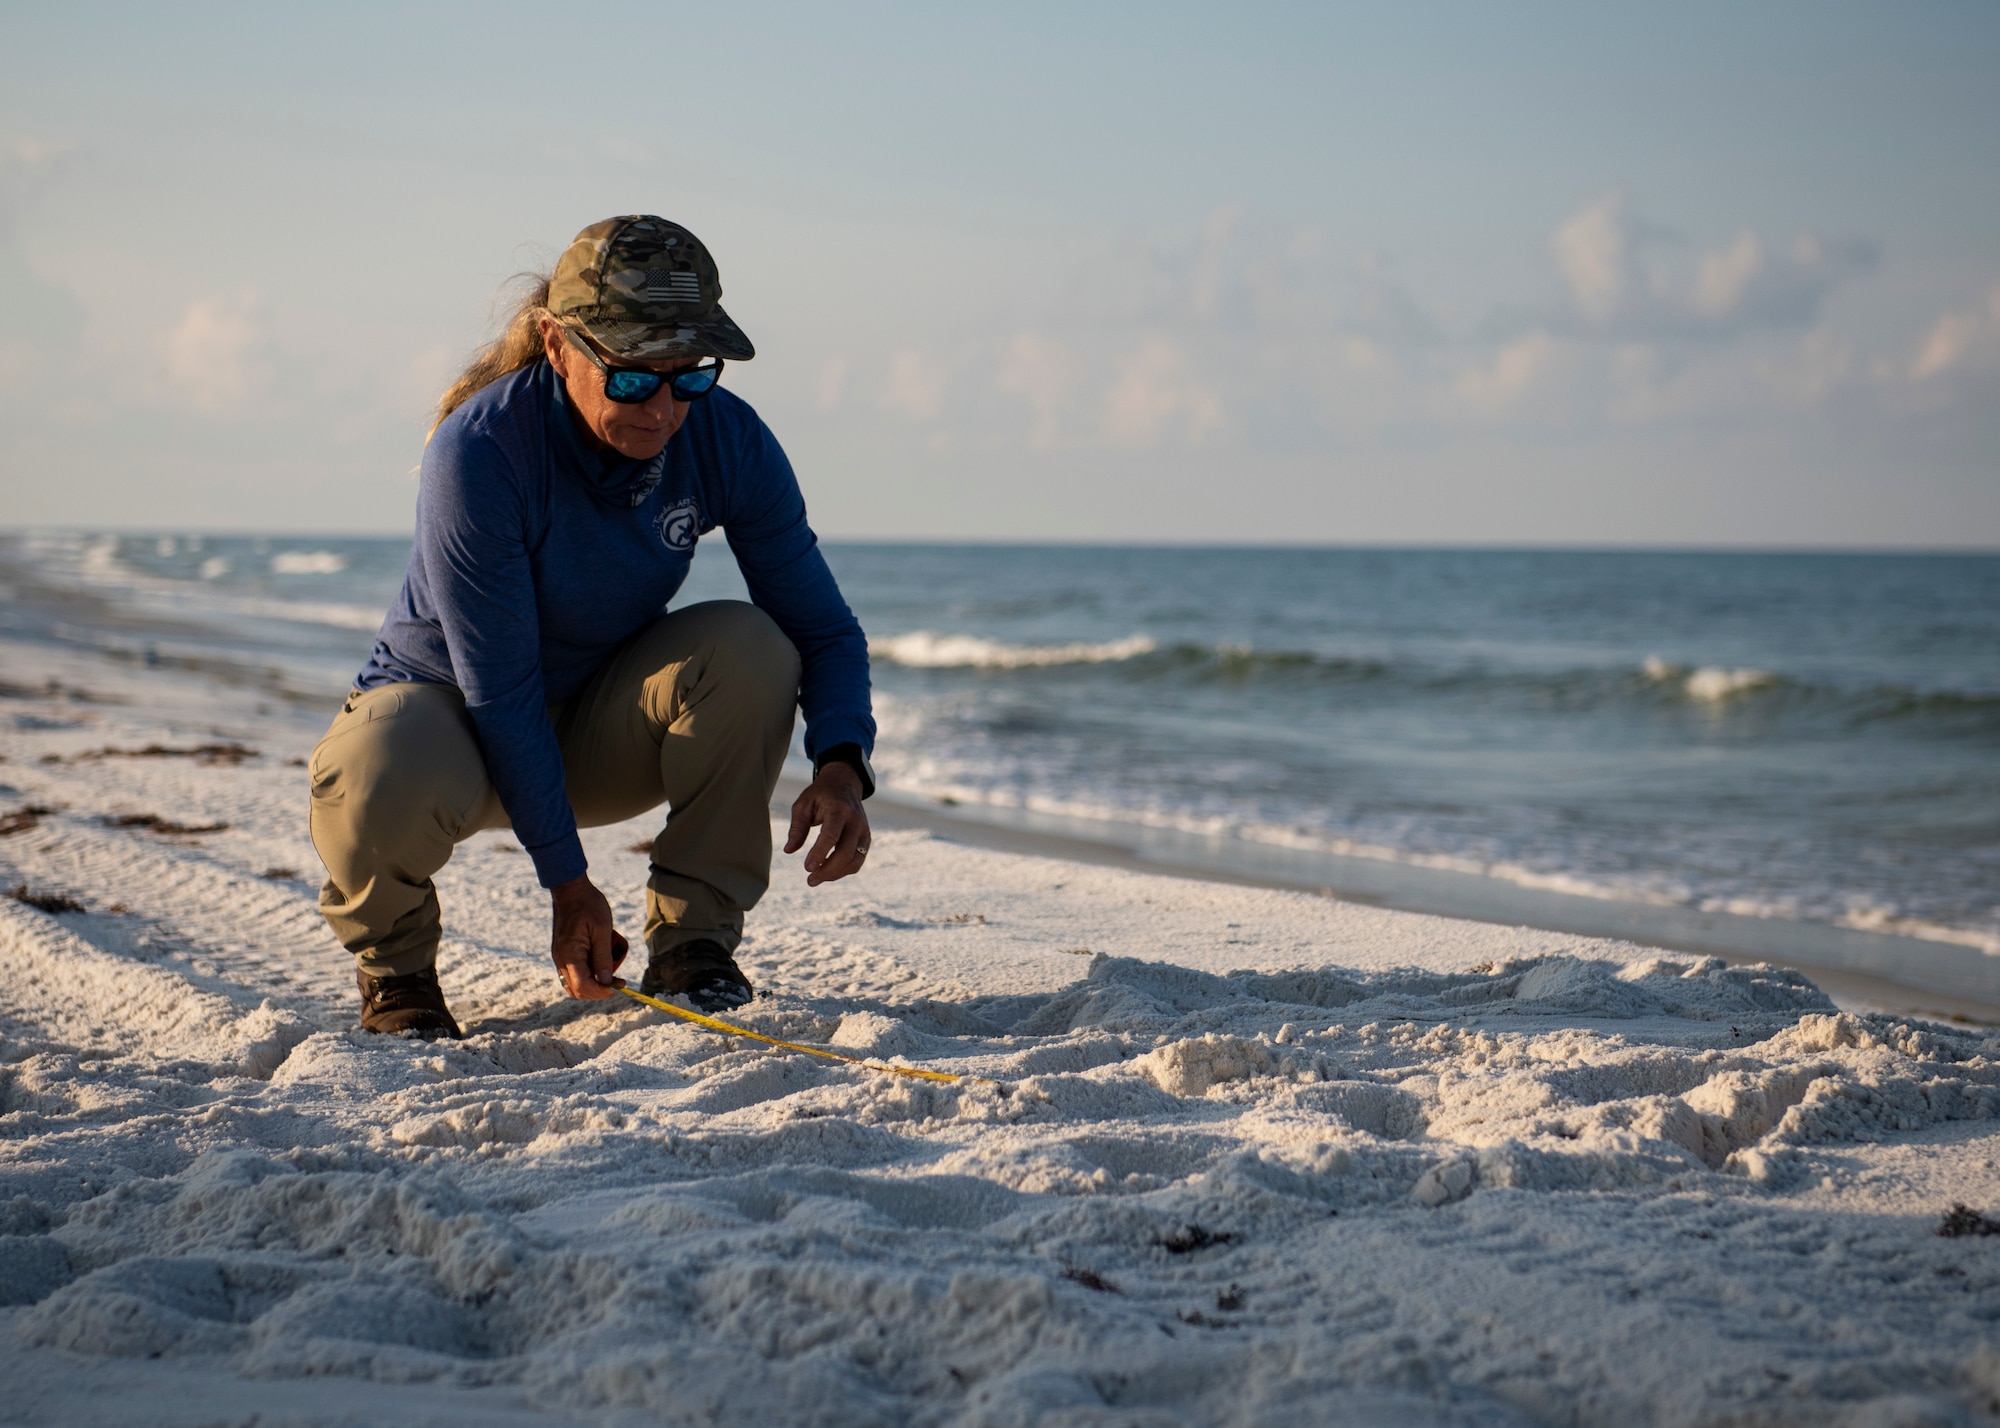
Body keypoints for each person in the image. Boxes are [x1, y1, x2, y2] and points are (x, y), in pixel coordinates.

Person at [307, 215, 876, 1039]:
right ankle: (397, 975)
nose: (665, 409)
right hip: (454, 731)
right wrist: (568, 886)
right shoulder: (482, 452)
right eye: (634, 379)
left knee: (753, 648)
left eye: (689, 377)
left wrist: (842, 763)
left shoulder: (726, 437)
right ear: (554, 342)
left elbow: (824, 630)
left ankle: (694, 947)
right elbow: (499, 692)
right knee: (375, 763)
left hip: (591, 731)